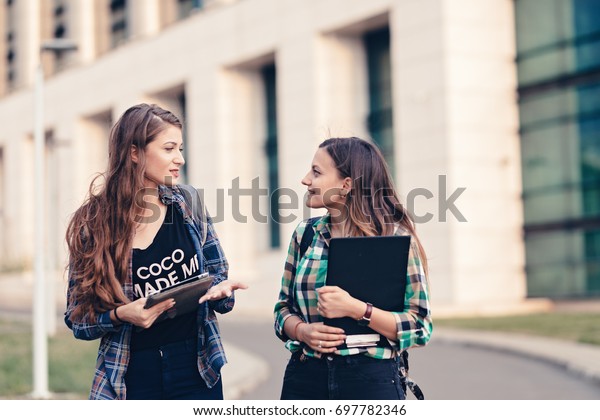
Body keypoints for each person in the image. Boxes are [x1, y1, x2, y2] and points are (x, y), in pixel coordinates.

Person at [64, 103, 247, 400]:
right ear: (135, 152)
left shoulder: (188, 203)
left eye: (181, 148)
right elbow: (78, 319)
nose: (180, 159)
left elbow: (216, 275)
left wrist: (221, 291)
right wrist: (123, 314)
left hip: (198, 367)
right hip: (133, 372)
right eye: (169, 149)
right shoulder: (93, 223)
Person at [274, 136, 432, 400]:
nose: (305, 180)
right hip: (304, 379)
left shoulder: (394, 239)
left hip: (370, 381)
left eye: (316, 172)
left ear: (346, 185)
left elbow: (419, 327)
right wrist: (302, 331)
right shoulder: (305, 235)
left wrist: (357, 309)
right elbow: (282, 310)